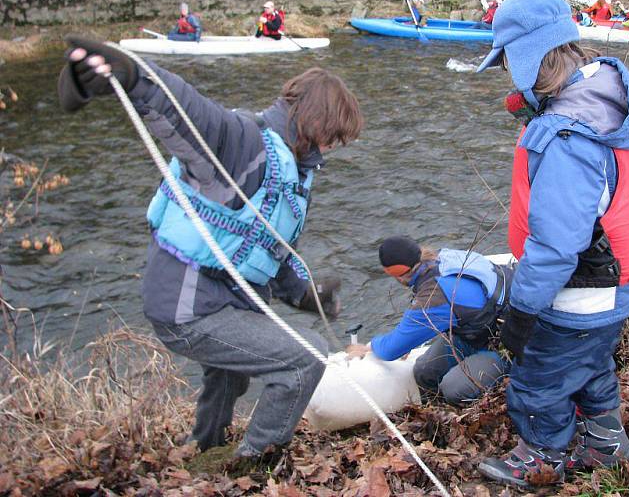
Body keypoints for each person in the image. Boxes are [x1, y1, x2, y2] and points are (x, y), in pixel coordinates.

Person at [56, 35, 363, 462]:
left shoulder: (292, 167)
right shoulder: (242, 144)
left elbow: (268, 251)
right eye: (335, 137)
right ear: (318, 123)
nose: (334, 148)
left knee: (231, 373)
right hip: (189, 308)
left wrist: (307, 297)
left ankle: (205, 448)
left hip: (221, 303)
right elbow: (189, 113)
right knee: (304, 359)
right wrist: (131, 74)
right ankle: (252, 464)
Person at [474, 0, 629, 487]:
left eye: (509, 63)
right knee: (591, 361)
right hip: (620, 287)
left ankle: (541, 455)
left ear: (529, 58)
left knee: (540, 379)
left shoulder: (564, 137)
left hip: (581, 292)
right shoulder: (605, 98)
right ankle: (604, 440)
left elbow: (557, 244)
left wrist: (524, 310)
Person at [345, 236, 514, 405]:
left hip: (507, 344)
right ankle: (439, 415)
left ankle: (488, 397)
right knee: (424, 371)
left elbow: (390, 350)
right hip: (479, 331)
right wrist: (410, 338)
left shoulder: (434, 295)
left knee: (453, 388)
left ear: (395, 273)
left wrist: (369, 347)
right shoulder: (443, 256)